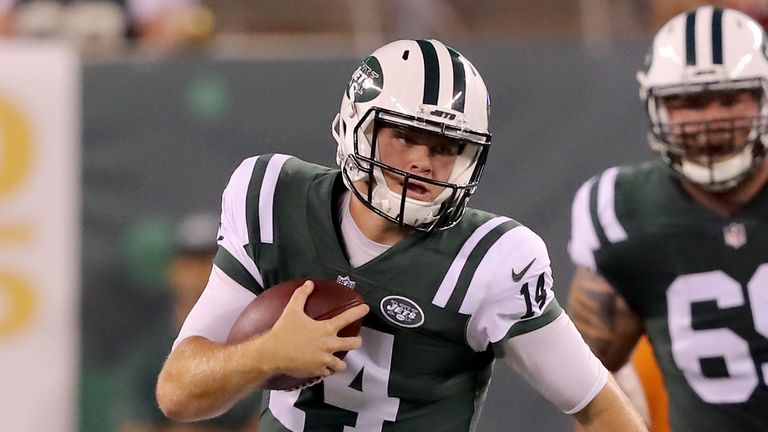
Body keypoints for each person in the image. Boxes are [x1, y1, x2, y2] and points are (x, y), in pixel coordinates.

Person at [156, 38, 646, 431]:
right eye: (405, 136)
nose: (422, 161)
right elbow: (178, 393)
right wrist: (266, 355)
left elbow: (599, 407)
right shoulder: (272, 198)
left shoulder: (491, 260)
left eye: (446, 146)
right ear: (357, 128)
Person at [568, 5, 768, 431]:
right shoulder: (624, 211)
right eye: (688, 103)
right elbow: (586, 388)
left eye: (731, 98)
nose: (711, 120)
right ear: (654, 105)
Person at [117, 213, 261, 432]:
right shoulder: (149, 351)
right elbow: (133, 425)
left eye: (213, 259)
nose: (200, 271)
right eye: (190, 261)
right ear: (173, 269)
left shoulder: (257, 340)